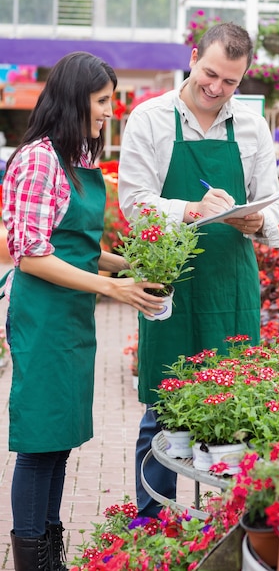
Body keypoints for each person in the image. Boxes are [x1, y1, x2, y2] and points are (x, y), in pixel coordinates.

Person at [1, 51, 165, 571]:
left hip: (71, 319)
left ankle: (51, 553)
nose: (109, 111)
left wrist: (130, 263)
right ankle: (33, 559)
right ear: (74, 101)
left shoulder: (78, 163)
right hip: (44, 318)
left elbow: (74, 246)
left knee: (62, 440)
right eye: (101, 101)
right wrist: (112, 289)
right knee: (39, 442)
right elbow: (29, 254)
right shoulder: (37, 160)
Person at [118, 22, 279, 518]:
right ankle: (151, 525)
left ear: (244, 79)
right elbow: (134, 204)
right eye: (210, 73)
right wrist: (192, 209)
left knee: (238, 413)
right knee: (162, 412)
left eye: (230, 81)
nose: (216, 88)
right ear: (193, 56)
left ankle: (233, 524)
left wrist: (258, 219)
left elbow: (275, 207)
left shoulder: (253, 128)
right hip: (172, 286)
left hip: (231, 285)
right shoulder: (149, 119)